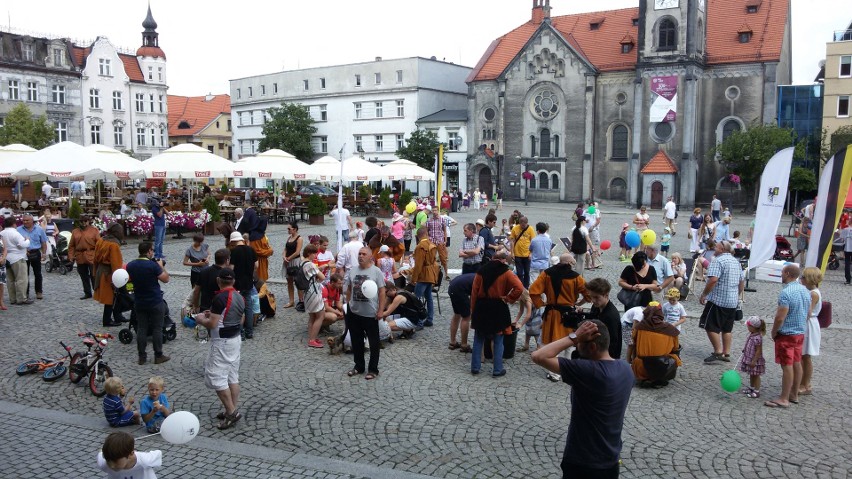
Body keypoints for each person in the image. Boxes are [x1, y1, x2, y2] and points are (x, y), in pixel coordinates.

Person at [532, 320, 633, 479]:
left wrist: (573, 336)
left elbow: (538, 355)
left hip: (583, 462)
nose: (576, 347)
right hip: (611, 459)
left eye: (578, 343)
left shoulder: (588, 372)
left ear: (592, 347)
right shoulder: (626, 369)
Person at [194, 268, 244, 429]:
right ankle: (232, 408)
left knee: (217, 377)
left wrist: (201, 319)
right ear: (233, 281)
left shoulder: (219, 298)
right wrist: (216, 314)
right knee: (232, 376)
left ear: (218, 281)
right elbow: (240, 318)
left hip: (221, 341)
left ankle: (231, 412)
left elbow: (213, 323)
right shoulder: (240, 296)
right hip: (235, 339)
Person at [530, 253, 587, 381]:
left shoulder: (546, 274)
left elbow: (533, 290)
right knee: (570, 342)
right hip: (570, 314)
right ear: (569, 263)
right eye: (572, 263)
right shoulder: (576, 277)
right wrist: (579, 303)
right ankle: (568, 370)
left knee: (553, 343)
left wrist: (541, 304)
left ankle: (555, 373)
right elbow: (588, 293)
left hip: (552, 314)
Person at [470, 250, 523, 377]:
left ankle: (475, 367)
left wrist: (473, 311)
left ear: (492, 258)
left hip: (482, 306)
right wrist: (509, 298)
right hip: (498, 307)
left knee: (478, 338)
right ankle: (497, 369)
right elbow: (519, 288)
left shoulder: (480, 271)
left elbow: (474, 293)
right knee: (498, 339)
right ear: (503, 260)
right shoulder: (507, 272)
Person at [764, 264, 810, 409]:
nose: (781, 275)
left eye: (782, 272)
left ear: (788, 273)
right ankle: (794, 394)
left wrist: (774, 331)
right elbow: (808, 313)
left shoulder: (786, 293)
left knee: (787, 366)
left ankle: (784, 398)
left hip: (787, 334)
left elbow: (780, 317)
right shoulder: (805, 290)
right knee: (797, 362)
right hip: (800, 332)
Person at [344, 247, 386, 380]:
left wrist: (380, 310)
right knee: (356, 342)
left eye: (364, 254)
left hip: (370, 314)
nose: (360, 256)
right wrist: (348, 304)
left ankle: (373, 369)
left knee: (373, 343)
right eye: (359, 254)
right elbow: (349, 289)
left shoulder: (376, 271)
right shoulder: (353, 270)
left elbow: (382, 291)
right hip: (354, 313)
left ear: (370, 257)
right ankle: (359, 366)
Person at [699, 240, 744, 364]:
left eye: (717, 246)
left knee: (709, 325)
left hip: (718, 300)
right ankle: (726, 351)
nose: (715, 248)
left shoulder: (718, 261)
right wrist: (737, 295)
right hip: (732, 301)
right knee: (727, 328)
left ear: (723, 249)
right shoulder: (736, 262)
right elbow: (741, 282)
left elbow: (713, 280)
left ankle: (718, 351)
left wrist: (704, 294)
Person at [126, 242, 170, 365]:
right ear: (149, 251)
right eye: (152, 251)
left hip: (139, 301)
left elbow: (128, 280)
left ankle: (142, 356)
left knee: (141, 328)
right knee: (157, 328)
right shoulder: (153, 265)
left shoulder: (131, 265)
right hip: (155, 301)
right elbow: (166, 279)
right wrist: (161, 266)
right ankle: (158, 355)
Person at [629, 304, 682, 387]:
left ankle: (645, 378)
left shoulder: (639, 327)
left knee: (638, 359)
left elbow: (633, 342)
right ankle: (659, 379)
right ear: (661, 315)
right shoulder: (671, 330)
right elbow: (676, 348)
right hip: (664, 366)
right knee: (675, 357)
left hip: (642, 366)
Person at [93, 224, 125, 326]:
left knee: (113, 296)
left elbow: (95, 259)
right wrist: (117, 279)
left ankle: (117, 316)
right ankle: (107, 320)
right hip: (109, 273)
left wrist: (95, 272)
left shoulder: (101, 240)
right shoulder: (114, 245)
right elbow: (116, 264)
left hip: (101, 271)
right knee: (111, 297)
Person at [584, 278, 623, 360]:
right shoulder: (596, 306)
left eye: (596, 297)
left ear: (606, 295)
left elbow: (613, 343)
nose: (593, 300)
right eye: (591, 297)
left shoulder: (611, 316)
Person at [97, 432, 162, 478]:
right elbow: (101, 453)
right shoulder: (103, 462)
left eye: (115, 460)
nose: (111, 465)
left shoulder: (145, 460)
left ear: (131, 454)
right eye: (108, 460)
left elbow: (158, 453)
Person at [229, 232, 257, 339]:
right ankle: (249, 332)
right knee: (248, 307)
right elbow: (256, 265)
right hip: (249, 282)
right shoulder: (251, 249)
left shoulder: (234, 251)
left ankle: (240, 332)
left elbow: (231, 268)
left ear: (233, 241)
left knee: (238, 308)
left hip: (237, 284)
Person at [799, 267, 822, 397]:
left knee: (806, 356)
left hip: (809, 324)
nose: (802, 279)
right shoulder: (811, 291)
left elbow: (808, 312)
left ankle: (805, 384)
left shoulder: (813, 293)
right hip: (809, 323)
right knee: (803, 355)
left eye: (804, 277)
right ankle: (802, 382)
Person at [411, 226, 439, 328]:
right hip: (431, 273)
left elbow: (418, 265)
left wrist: (413, 279)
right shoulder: (432, 244)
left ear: (418, 236)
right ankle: (430, 319)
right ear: (426, 234)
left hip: (423, 275)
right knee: (429, 298)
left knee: (416, 299)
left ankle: (418, 321)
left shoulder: (420, 246)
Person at [237, 204, 273, 281]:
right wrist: (269, 251)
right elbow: (255, 250)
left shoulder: (261, 234)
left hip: (263, 261)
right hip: (258, 261)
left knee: (263, 279)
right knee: (259, 280)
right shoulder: (255, 236)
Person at [301, 244, 327, 348]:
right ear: (309, 253)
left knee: (312, 316)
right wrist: (320, 272)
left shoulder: (302, 263)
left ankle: (312, 337)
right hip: (314, 292)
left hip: (307, 293)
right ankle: (312, 340)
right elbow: (322, 277)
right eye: (314, 253)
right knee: (320, 316)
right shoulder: (310, 264)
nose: (315, 255)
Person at [69, 215, 101, 300]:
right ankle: (87, 292)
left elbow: (99, 244)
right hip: (80, 256)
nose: (83, 223)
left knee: (93, 275)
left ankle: (97, 292)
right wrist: (71, 256)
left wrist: (98, 255)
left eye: (85, 221)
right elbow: (71, 245)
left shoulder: (94, 230)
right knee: (83, 276)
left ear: (88, 221)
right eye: (81, 221)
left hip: (91, 254)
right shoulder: (75, 231)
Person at [17, 214, 47, 301]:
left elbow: (43, 242)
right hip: (23, 253)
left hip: (36, 252)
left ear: (32, 221)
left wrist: (44, 253)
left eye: (27, 220)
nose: (25, 222)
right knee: (24, 274)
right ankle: (25, 293)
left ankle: (39, 292)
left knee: (38, 274)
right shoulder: (18, 230)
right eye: (24, 220)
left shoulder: (39, 229)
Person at [1, 216, 30, 305]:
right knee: (21, 279)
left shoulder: (1, 233)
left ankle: (12, 299)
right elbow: (22, 245)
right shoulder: (15, 233)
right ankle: (21, 298)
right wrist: (28, 240)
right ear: (14, 224)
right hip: (17, 257)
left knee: (10, 280)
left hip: (6, 258)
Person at [192, 248, 230, 313]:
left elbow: (196, 291)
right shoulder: (225, 275)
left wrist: (195, 306)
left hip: (204, 307)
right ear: (227, 260)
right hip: (219, 309)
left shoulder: (203, 271)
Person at [737, 316, 766, 399]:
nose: (747, 327)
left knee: (756, 375)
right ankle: (752, 388)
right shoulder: (752, 334)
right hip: (749, 358)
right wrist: (745, 349)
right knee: (751, 374)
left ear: (754, 327)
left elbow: (758, 350)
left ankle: (757, 391)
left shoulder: (757, 338)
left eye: (748, 326)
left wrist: (754, 361)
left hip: (755, 360)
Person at [448, 273, 475, 352]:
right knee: (466, 317)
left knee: (457, 314)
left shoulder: (476, 275)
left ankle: (452, 342)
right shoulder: (482, 280)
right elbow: (475, 296)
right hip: (459, 290)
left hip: (452, 287)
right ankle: (464, 345)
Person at [509, 216, 536, 288]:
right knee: (520, 273)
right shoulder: (515, 228)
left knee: (527, 272)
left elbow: (533, 242)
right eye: (522, 225)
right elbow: (512, 241)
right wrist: (512, 253)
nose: (523, 226)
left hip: (527, 255)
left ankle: (526, 287)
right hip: (518, 254)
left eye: (525, 225)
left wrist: (531, 253)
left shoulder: (530, 229)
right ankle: (520, 287)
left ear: (527, 223)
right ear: (519, 223)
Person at [282, 222, 304, 309]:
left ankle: (301, 300)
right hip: (288, 261)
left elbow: (297, 252)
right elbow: (285, 249)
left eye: (289, 229)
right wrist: (284, 256)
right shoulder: (289, 238)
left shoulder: (299, 238)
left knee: (297, 281)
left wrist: (288, 258)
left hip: (295, 261)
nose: (288, 230)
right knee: (289, 282)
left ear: (294, 229)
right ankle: (291, 300)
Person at [426, 208, 449, 278]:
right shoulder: (429, 220)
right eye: (433, 210)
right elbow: (427, 231)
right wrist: (427, 240)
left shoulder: (442, 219)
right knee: (431, 258)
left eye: (435, 210)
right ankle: (432, 274)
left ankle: (446, 274)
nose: (434, 212)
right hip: (432, 241)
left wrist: (445, 240)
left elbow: (444, 230)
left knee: (443, 258)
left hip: (440, 241)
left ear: (438, 211)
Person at [843, 220, 852, 285]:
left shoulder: (846, 229)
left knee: (847, 264)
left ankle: (848, 279)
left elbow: (842, 238)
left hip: (847, 248)